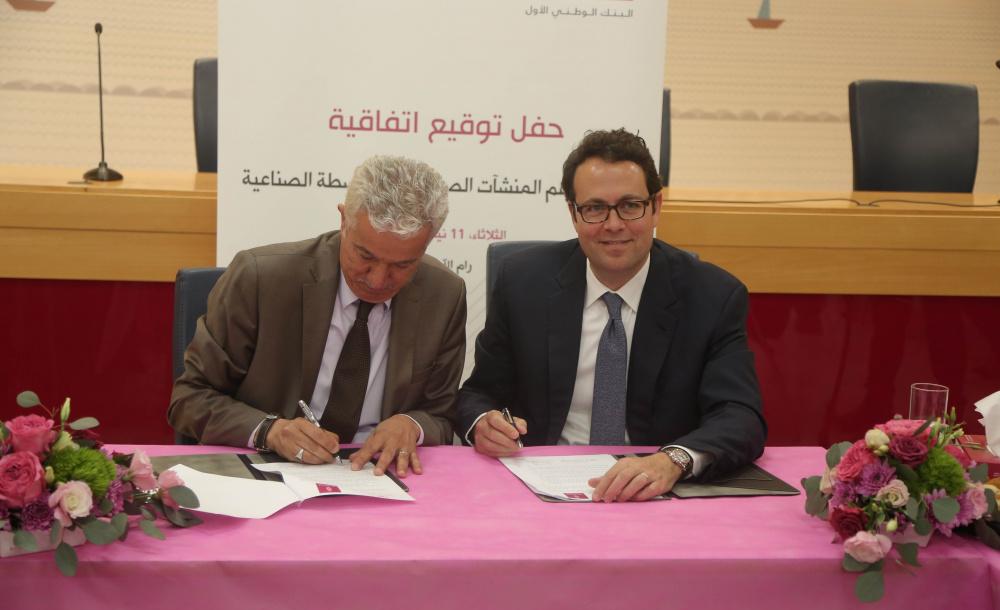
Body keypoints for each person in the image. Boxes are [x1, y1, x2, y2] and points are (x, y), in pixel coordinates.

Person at [457, 129, 765, 501]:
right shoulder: (523, 283)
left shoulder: (712, 296)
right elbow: (479, 393)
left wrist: (672, 460)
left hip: (655, 490)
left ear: (656, 207)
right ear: (573, 213)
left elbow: (739, 416)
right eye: (595, 208)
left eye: (630, 206)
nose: (614, 224)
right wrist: (484, 424)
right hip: (542, 487)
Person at [169, 155, 467, 478]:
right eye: (365, 255)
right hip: (271, 472)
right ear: (343, 221)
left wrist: (412, 424)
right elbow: (190, 399)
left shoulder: (444, 295)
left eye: (402, 265)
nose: (378, 280)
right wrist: (270, 431)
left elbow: (442, 416)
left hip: (381, 473)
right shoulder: (260, 279)